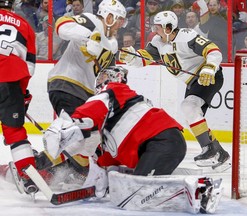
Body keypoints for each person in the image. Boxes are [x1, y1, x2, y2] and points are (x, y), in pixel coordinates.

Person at [43, 66, 223, 214]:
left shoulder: (115, 90)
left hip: (161, 141)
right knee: (133, 188)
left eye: (104, 75)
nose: (99, 80)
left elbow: (93, 107)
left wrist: (68, 126)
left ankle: (202, 191)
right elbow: (110, 159)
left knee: (137, 192)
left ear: (116, 77)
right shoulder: (110, 122)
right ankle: (194, 183)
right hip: (161, 145)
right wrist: (101, 177)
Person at [119, 11, 230, 171]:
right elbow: (144, 60)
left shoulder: (186, 36)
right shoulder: (158, 41)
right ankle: (219, 153)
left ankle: (210, 149)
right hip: (192, 82)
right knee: (190, 114)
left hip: (208, 76)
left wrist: (209, 68)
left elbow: (213, 50)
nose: (154, 31)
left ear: (168, 28)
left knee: (189, 107)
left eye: (157, 27)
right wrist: (131, 57)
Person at [40, 0, 128, 181]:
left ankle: (64, 172)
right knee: (77, 134)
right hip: (67, 84)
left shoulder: (111, 44)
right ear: (109, 17)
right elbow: (61, 26)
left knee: (92, 138)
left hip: (85, 95)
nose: (121, 25)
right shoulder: (91, 21)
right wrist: (90, 37)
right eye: (119, 20)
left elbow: (107, 77)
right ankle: (38, 165)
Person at [0, 0, 38, 195]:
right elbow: (29, 67)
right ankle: (29, 177)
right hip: (10, 78)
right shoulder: (24, 25)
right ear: (12, 6)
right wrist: (22, 94)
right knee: (15, 133)